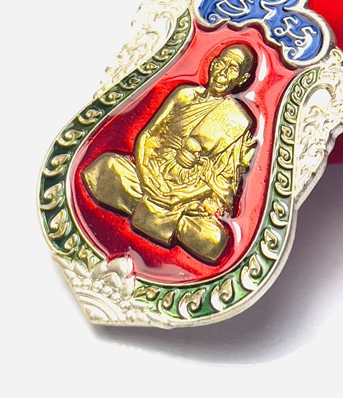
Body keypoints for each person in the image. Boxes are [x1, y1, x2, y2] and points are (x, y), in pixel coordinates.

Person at [83, 44, 256, 264]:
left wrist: (181, 196)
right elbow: (148, 136)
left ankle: (145, 208)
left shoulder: (237, 122)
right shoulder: (185, 95)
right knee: (105, 168)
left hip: (187, 197)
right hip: (150, 175)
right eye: (222, 62)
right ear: (213, 63)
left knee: (214, 240)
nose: (223, 71)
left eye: (233, 68)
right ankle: (157, 213)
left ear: (242, 79)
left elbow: (222, 182)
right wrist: (147, 178)